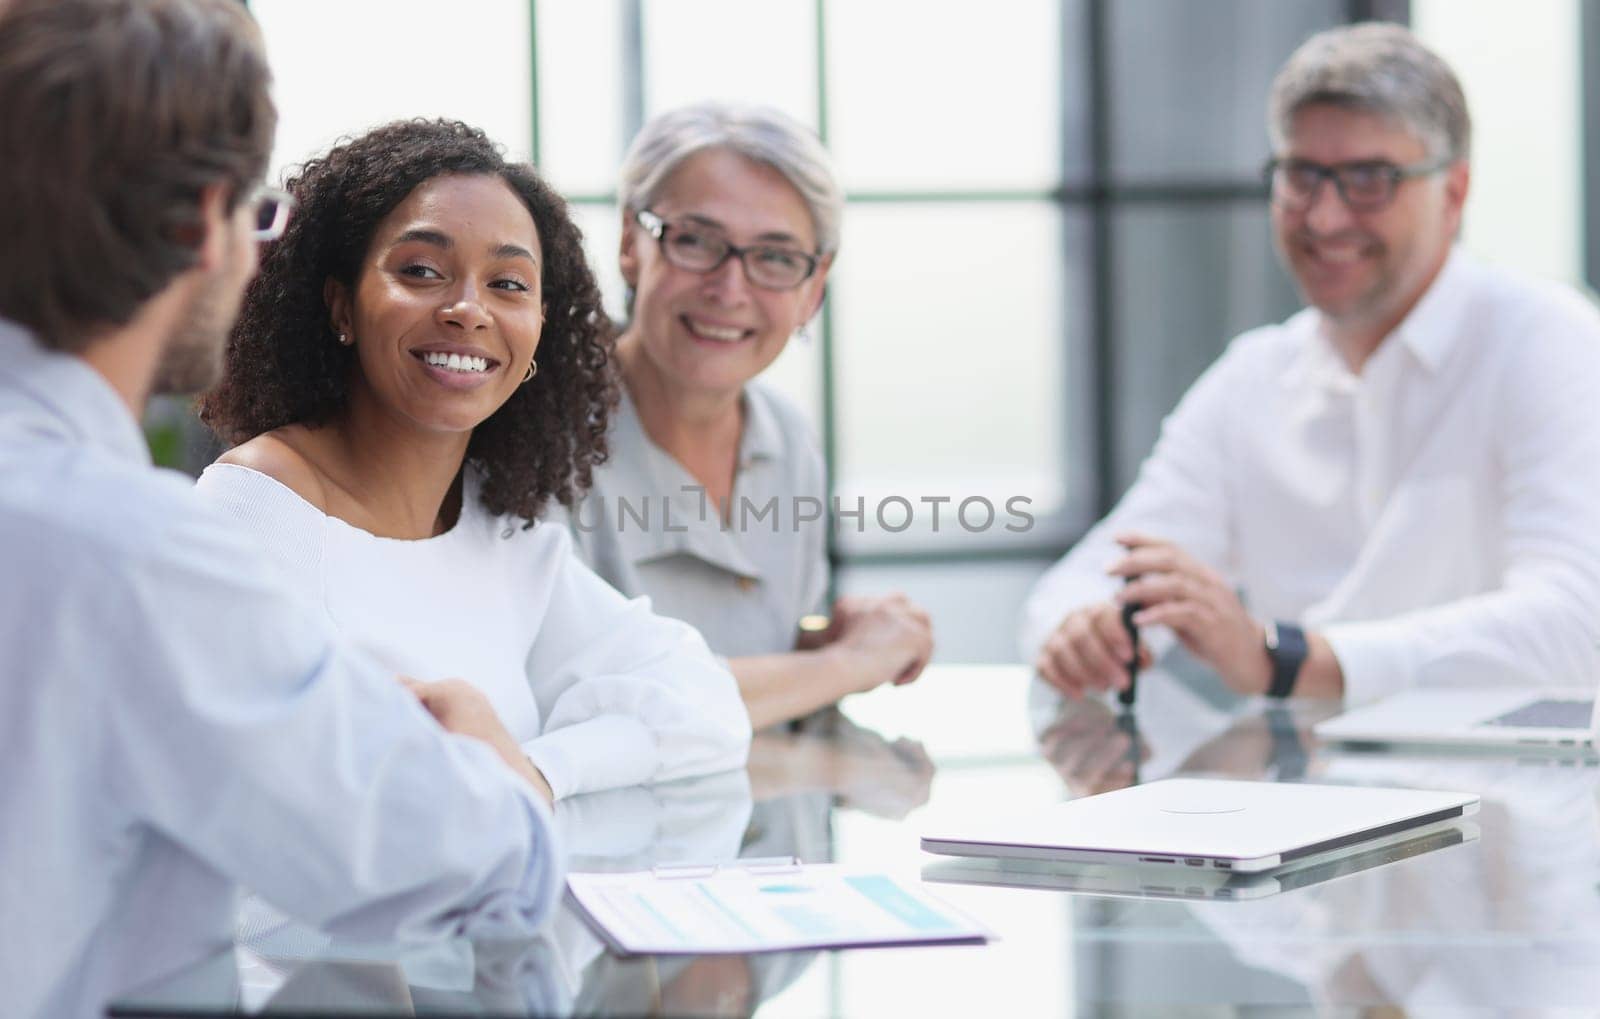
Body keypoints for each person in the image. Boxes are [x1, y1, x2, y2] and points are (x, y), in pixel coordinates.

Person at [0, 2, 567, 1015]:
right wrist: (499, 768)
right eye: (257, 215)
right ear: (200, 225)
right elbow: (472, 862)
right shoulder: (138, 553)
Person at [1022, 22, 1600, 706]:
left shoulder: (1549, 340)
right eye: (1301, 175)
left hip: (1519, 801)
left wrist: (1292, 660)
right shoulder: (1254, 378)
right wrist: (1087, 628)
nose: (1324, 218)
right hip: (1308, 798)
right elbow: (1087, 579)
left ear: (1453, 193)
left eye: (1368, 180)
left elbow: (1579, 620)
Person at [194, 120, 751, 801]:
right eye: (421, 271)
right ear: (341, 304)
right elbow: (256, 802)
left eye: (509, 283)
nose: (467, 309)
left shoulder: (500, 529)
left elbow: (705, 704)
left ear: (542, 324)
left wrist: (537, 771)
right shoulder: (257, 508)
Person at [550, 102, 934, 730]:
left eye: (776, 258)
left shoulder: (786, 436)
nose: (730, 290)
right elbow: (598, 700)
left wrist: (827, 638)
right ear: (630, 245)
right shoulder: (541, 438)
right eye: (695, 242)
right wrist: (848, 664)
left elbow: (744, 659)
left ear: (815, 288)